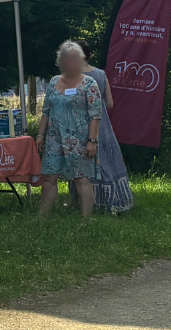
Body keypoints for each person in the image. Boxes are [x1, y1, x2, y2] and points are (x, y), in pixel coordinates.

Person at [36, 41, 104, 220]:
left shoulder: (89, 84)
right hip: (54, 138)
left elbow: (95, 115)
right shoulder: (53, 82)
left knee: (81, 179)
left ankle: (85, 220)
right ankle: (41, 218)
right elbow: (46, 111)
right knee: (49, 178)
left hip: (79, 139)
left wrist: (92, 141)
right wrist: (40, 135)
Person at [78, 43, 132, 215]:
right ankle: (112, 200)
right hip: (102, 125)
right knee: (107, 160)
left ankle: (82, 202)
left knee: (81, 164)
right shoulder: (100, 75)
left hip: (79, 125)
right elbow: (110, 103)